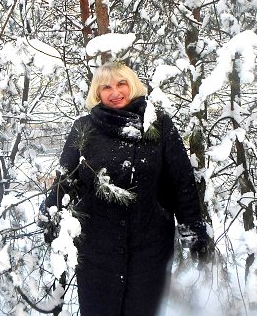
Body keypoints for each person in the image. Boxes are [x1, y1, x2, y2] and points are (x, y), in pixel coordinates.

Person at [41, 62, 211, 316]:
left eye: (121, 84)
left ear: (132, 85)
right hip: (97, 250)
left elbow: (181, 179)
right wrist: (51, 212)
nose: (115, 92)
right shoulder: (83, 128)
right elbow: (67, 179)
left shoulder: (158, 124)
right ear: (97, 93)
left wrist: (193, 228)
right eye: (106, 87)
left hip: (150, 248)